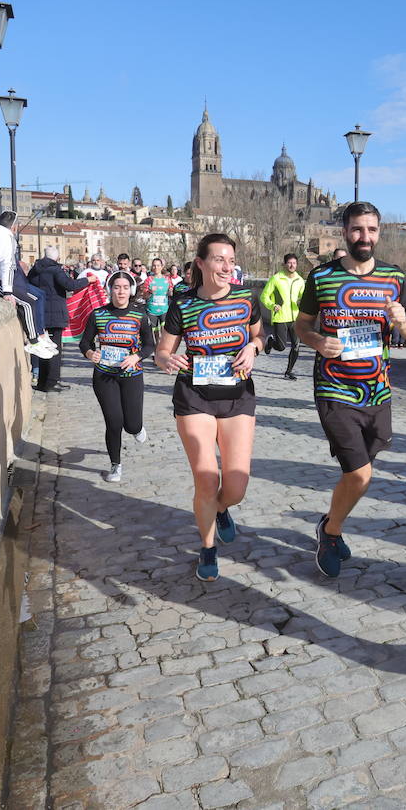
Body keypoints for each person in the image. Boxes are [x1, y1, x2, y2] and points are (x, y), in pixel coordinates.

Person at [296, 201, 406, 579]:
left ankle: (329, 523)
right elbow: (302, 326)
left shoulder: (394, 278)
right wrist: (318, 341)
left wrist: (403, 323)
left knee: (359, 472)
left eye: (371, 229)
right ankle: (331, 533)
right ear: (345, 232)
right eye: (357, 229)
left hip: (378, 392)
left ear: (378, 233)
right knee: (360, 474)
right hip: (334, 389)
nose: (364, 237)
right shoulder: (321, 277)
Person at [154, 234, 263, 581]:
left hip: (237, 396)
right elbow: (161, 352)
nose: (227, 267)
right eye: (219, 260)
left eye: (231, 260)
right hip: (194, 396)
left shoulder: (246, 298)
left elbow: (260, 335)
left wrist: (254, 348)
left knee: (236, 486)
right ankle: (207, 547)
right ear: (200, 264)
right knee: (206, 478)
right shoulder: (183, 304)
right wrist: (167, 360)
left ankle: (222, 508)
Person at [81, 271, 156, 482]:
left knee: (131, 425)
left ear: (131, 290)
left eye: (124, 287)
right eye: (116, 287)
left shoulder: (140, 316)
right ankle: (116, 465)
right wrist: (90, 353)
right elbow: (85, 342)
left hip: (132, 375)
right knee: (114, 421)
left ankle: (137, 428)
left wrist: (136, 357)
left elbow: (150, 345)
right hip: (104, 376)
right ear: (110, 290)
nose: (121, 291)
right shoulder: (98, 314)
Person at [0, 210, 59, 360]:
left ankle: (38, 337)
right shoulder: (6, 238)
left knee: (32, 299)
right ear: (14, 227)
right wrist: (7, 292)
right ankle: (34, 343)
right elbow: (8, 266)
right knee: (28, 303)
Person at [28, 246, 92, 392]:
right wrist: (87, 280)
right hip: (54, 314)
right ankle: (52, 381)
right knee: (55, 349)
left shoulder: (34, 270)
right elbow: (70, 285)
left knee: (43, 348)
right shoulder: (55, 270)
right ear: (57, 258)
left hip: (39, 313)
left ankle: (42, 382)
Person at [259, 253, 304, 379]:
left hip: (295, 318)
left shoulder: (300, 280)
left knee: (296, 346)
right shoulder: (276, 278)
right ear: (284, 264)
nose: (292, 265)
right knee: (281, 347)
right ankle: (271, 342)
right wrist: (272, 306)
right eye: (289, 263)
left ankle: (289, 372)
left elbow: (304, 297)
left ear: (297, 265)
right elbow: (264, 296)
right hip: (280, 317)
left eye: (294, 263)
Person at [143, 258, 172, 331]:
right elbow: (144, 296)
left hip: (164, 310)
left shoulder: (167, 279)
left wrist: (170, 292)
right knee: (154, 333)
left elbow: (171, 293)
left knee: (164, 331)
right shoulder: (148, 280)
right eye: (154, 265)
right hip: (151, 310)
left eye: (158, 265)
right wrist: (150, 292)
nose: (156, 268)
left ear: (162, 267)